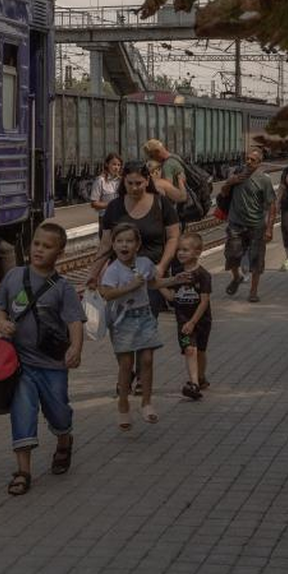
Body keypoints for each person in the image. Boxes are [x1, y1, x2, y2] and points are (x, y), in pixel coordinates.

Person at [0, 222, 85, 497]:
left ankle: (64, 440)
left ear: (60, 253)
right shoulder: (13, 277)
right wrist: (1, 323)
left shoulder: (63, 288)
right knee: (23, 411)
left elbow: (74, 322)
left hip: (53, 365)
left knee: (58, 411)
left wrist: (76, 348)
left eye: (47, 246)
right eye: (36, 244)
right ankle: (23, 471)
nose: (39, 250)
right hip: (20, 364)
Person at [98, 224, 187, 428]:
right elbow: (107, 293)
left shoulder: (145, 263)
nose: (124, 245)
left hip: (144, 316)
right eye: (119, 241)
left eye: (129, 241)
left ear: (137, 245)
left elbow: (153, 283)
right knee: (126, 364)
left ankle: (146, 403)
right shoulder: (112, 270)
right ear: (113, 245)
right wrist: (129, 287)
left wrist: (174, 279)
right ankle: (123, 404)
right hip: (123, 320)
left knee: (146, 359)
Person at [87, 160, 182, 317]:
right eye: (129, 183)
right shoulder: (114, 207)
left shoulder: (161, 204)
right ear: (123, 182)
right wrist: (93, 274)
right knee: (122, 324)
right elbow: (105, 245)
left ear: (147, 181)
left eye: (138, 183)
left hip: (151, 275)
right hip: (121, 277)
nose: (134, 188)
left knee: (147, 322)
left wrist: (162, 266)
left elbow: (173, 237)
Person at [219, 147, 277, 302]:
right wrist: (229, 182)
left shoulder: (264, 180)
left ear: (259, 163)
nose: (249, 162)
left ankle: (253, 291)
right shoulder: (236, 174)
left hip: (256, 225)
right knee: (232, 254)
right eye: (247, 159)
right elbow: (223, 193)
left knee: (257, 259)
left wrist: (270, 228)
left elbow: (272, 204)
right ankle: (236, 277)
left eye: (253, 160)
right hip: (236, 223)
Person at [163, 231, 212, 400]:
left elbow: (204, 301)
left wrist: (193, 321)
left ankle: (201, 377)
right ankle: (194, 384)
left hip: (201, 321)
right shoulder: (177, 274)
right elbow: (172, 297)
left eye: (185, 250)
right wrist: (158, 285)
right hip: (182, 322)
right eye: (179, 250)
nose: (180, 253)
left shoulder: (203, 275)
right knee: (189, 349)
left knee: (201, 351)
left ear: (197, 253)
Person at [142, 138, 188, 206]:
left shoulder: (167, 166)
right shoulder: (175, 157)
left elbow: (167, 190)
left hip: (176, 204)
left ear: (157, 152)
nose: (151, 158)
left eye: (151, 156)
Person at [89, 153, 123, 237]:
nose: (116, 167)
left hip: (120, 217)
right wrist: (111, 205)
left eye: (119, 165)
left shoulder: (122, 181)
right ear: (107, 164)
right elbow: (94, 203)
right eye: (114, 164)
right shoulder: (100, 181)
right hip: (105, 218)